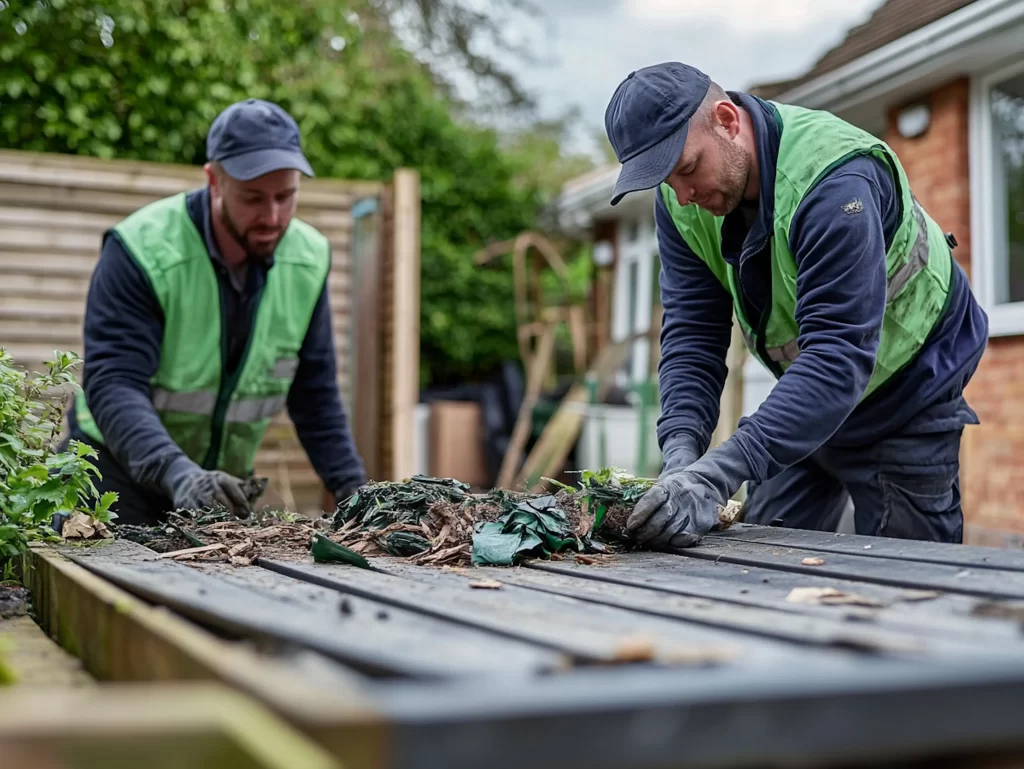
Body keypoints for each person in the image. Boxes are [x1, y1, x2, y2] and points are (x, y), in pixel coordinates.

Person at [603, 62, 989, 547]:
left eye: (686, 168)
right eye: (665, 179)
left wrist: (716, 475)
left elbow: (837, 355)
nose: (682, 196)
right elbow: (692, 335)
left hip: (910, 386)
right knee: (756, 552)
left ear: (726, 120)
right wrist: (682, 454)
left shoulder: (833, 182)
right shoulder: (681, 199)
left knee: (907, 578)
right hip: (811, 386)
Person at [63, 98, 367, 526]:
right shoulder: (142, 249)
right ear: (214, 180)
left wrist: (354, 489)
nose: (272, 216)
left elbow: (313, 391)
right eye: (253, 198)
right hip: (112, 478)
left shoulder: (308, 257)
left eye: (286, 196)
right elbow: (114, 382)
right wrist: (176, 472)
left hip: (217, 492)